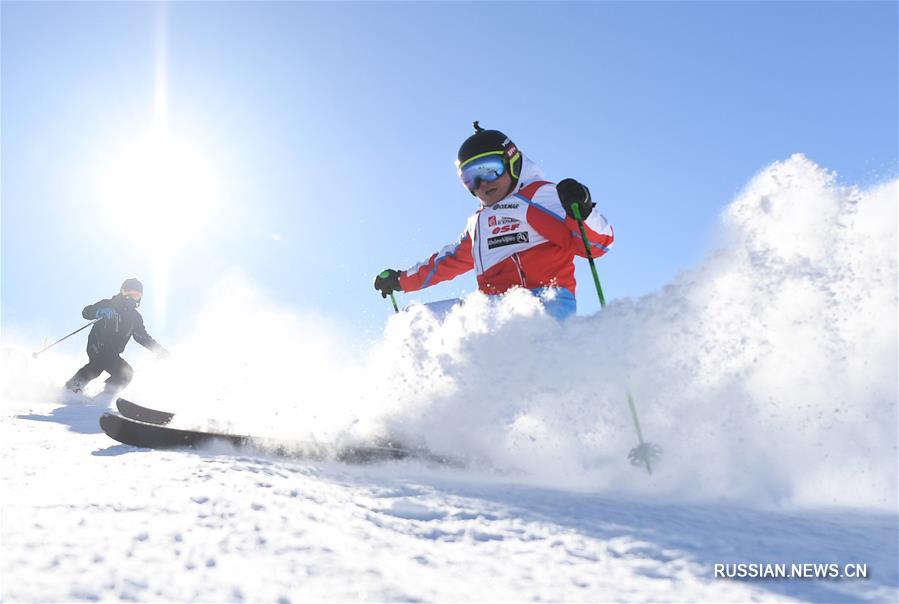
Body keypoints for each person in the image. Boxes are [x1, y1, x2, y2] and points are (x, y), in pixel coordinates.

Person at [374, 122, 614, 321]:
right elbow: (448, 260)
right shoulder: (479, 223)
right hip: (492, 309)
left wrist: (581, 211)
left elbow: (596, 245)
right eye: (471, 178)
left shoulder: (537, 196)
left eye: (490, 170)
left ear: (511, 162)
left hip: (543, 304)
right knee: (415, 321)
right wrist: (402, 280)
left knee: (491, 325)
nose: (483, 184)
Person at [65, 278, 168, 396]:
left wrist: (160, 350)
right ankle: (78, 388)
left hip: (113, 352)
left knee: (114, 372)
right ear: (121, 292)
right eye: (127, 293)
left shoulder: (135, 318)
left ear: (139, 297)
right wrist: (99, 311)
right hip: (97, 345)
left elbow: (142, 337)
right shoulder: (109, 304)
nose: (130, 298)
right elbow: (86, 312)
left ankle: (99, 393)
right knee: (106, 366)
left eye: (135, 295)